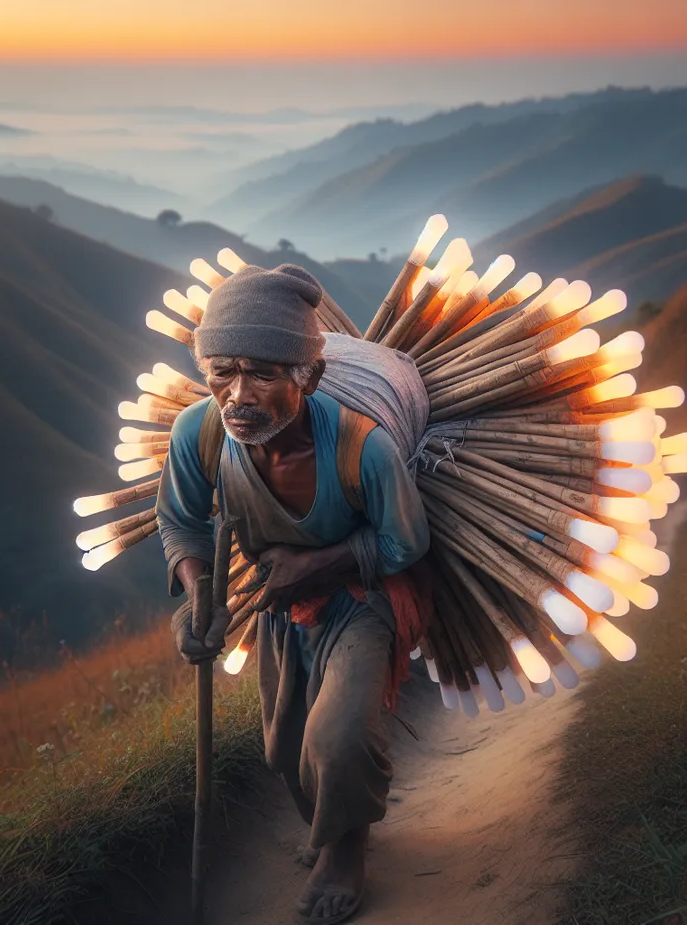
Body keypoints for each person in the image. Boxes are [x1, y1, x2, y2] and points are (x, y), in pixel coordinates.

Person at [156, 263, 431, 924]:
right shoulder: (199, 433)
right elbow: (181, 522)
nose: (238, 394)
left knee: (336, 737)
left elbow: (404, 543)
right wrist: (198, 596)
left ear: (305, 376)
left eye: (262, 372)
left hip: (362, 601)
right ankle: (331, 822)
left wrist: (320, 565)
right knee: (285, 748)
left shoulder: (362, 449)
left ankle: (346, 848)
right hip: (281, 608)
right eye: (222, 370)